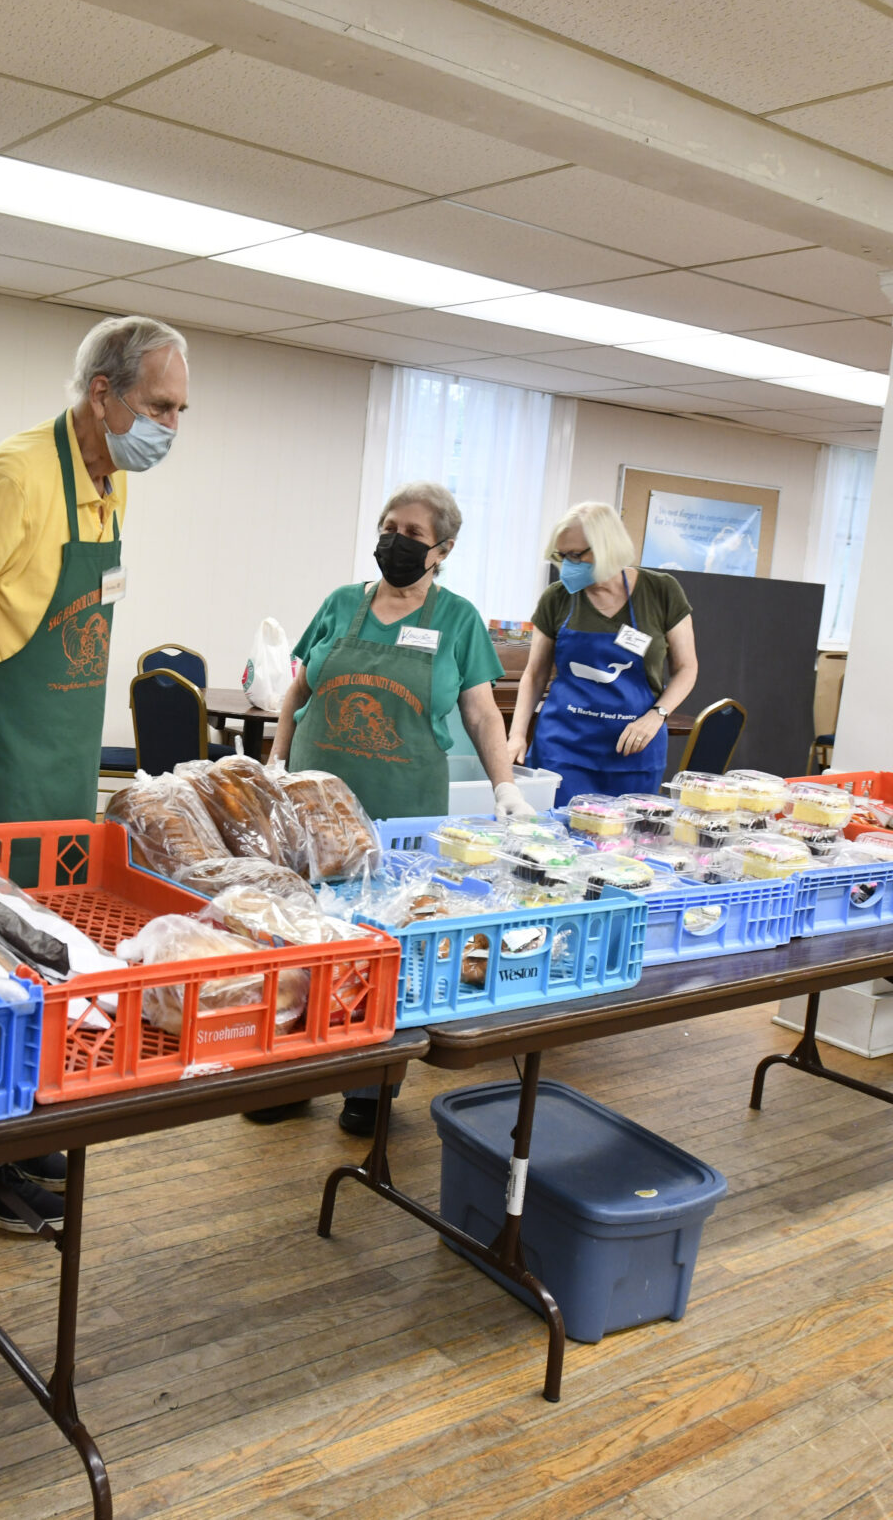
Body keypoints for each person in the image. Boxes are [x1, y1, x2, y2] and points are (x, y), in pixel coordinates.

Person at [0, 313, 189, 1231]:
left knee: (49, 959)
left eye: (182, 410)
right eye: (158, 406)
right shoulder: (20, 475)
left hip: (61, 766)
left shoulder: (109, 486)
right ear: (102, 394)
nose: (170, 429)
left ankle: (17, 1135)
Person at [264, 480, 529, 1135]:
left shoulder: (458, 618)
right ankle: (289, 1074)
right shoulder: (340, 603)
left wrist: (506, 788)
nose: (397, 541)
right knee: (297, 936)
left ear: (442, 547)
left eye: (413, 533)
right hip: (312, 809)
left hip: (401, 815)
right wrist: (274, 762)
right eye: (390, 526)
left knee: (382, 945)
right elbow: (299, 688)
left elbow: (479, 713)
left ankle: (368, 1082)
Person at [507, 501, 699, 805]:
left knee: (626, 843)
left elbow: (687, 668)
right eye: (562, 555)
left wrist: (657, 715)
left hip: (633, 752)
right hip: (563, 750)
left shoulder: (661, 591)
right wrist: (517, 734)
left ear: (607, 547)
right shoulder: (557, 598)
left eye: (576, 555)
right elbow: (534, 674)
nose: (567, 564)